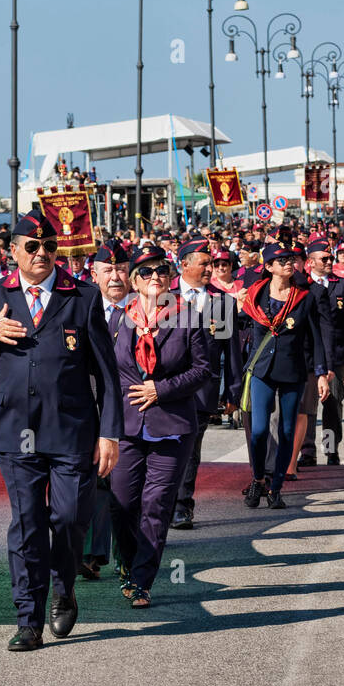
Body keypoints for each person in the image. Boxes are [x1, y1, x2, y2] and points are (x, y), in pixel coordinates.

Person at [0, 210, 121, 652]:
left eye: (49, 246)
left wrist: (110, 434)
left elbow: (106, 373)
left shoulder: (82, 296)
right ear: (13, 251)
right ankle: (28, 618)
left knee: (68, 519)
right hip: (15, 430)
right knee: (27, 524)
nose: (42, 253)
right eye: (32, 246)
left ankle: (63, 586)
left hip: (71, 430)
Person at [108, 246, 209, 609]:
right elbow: (110, 372)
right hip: (127, 423)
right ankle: (129, 559)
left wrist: (160, 389)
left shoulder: (187, 318)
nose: (155, 278)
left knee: (156, 503)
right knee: (120, 503)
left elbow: (202, 370)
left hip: (172, 425)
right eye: (146, 273)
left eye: (161, 272)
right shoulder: (119, 320)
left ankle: (141, 579)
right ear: (134, 281)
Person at [240, 242, 329, 509]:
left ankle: (276, 487)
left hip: (292, 370)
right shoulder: (254, 296)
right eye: (282, 261)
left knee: (287, 430)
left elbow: (316, 338)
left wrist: (322, 373)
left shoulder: (305, 297)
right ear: (268, 267)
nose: (289, 264)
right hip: (261, 371)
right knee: (257, 431)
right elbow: (239, 330)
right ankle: (258, 478)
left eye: (291, 260)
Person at [171, 239, 242, 530]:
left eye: (211, 264)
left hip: (202, 390)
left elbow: (230, 351)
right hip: (165, 388)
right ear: (184, 264)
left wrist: (233, 391)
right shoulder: (164, 296)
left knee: (190, 450)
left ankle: (182, 507)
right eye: (204, 263)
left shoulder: (222, 302)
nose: (209, 269)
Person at [80, 240, 133, 581]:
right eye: (108, 270)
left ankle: (126, 551)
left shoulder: (145, 308)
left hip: (134, 406)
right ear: (94, 274)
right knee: (97, 479)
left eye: (121, 270)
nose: (115, 277)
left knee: (128, 484)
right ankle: (93, 552)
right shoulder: (81, 306)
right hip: (91, 404)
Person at [295, 240, 344, 468]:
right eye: (324, 258)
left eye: (330, 258)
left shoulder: (343, 285)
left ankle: (331, 449)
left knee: (332, 404)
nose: (329, 262)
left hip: (335, 355)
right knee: (307, 406)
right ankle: (307, 451)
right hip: (309, 356)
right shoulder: (301, 287)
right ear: (310, 262)